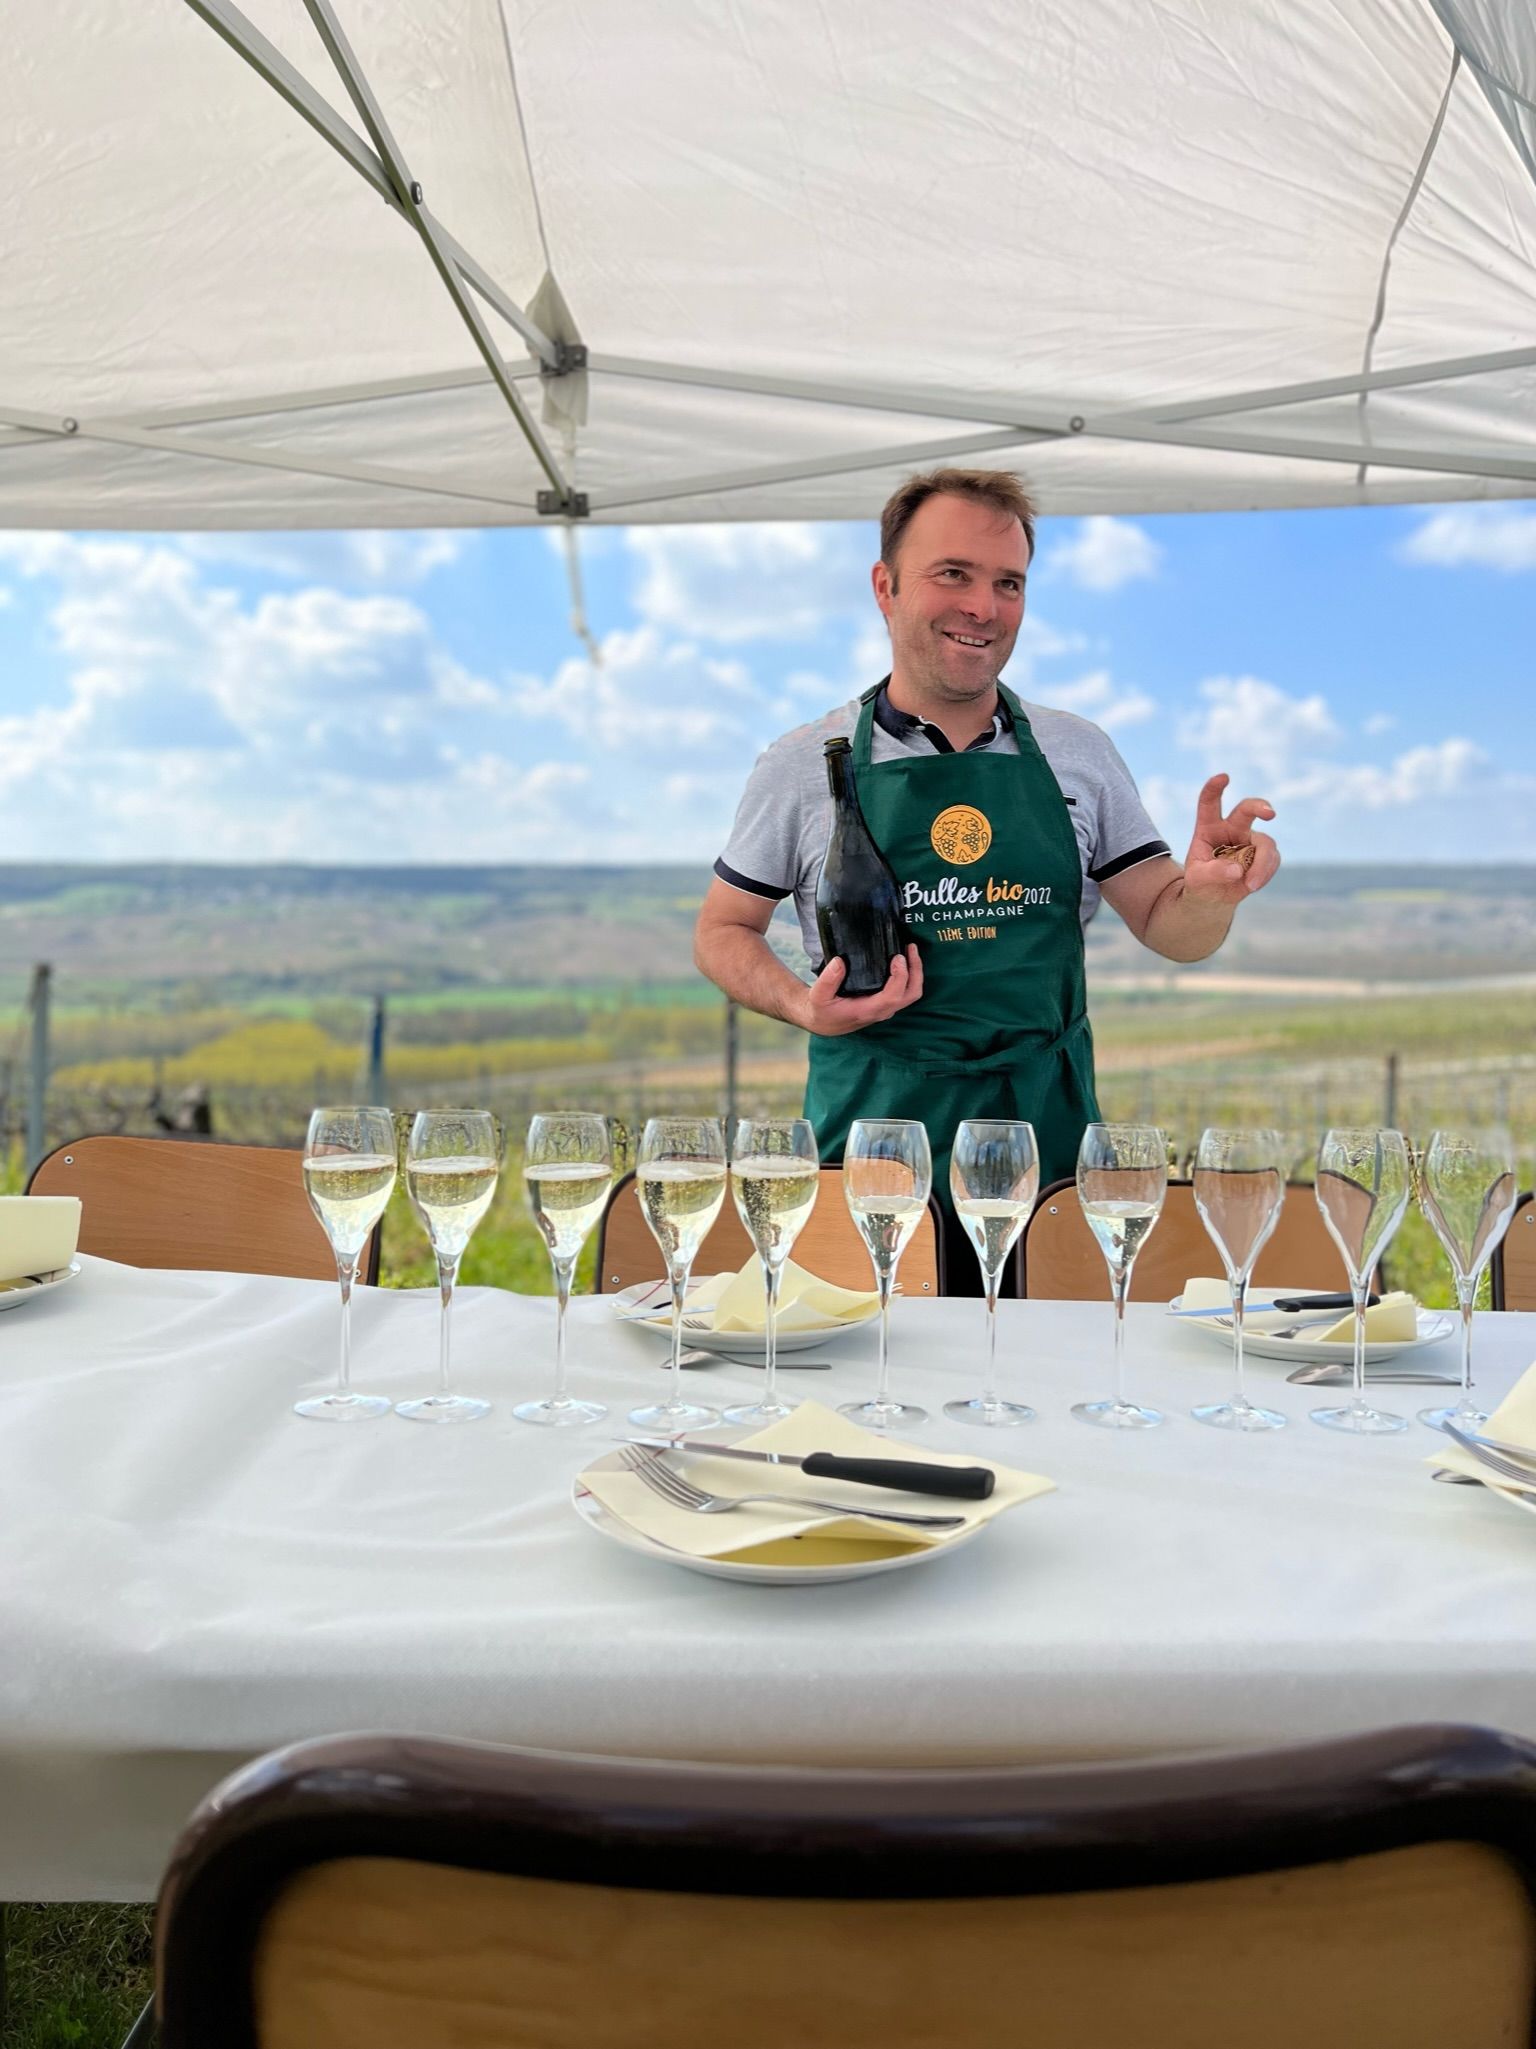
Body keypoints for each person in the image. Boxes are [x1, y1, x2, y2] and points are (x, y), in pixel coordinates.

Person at [693, 468, 1279, 1289]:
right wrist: (800, 1002)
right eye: (954, 575)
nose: (984, 606)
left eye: (1008, 583)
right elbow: (721, 931)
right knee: (870, 1388)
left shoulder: (1079, 753)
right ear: (885, 587)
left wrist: (1212, 895)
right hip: (874, 1163)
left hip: (1051, 1159)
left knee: (1046, 1386)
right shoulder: (805, 764)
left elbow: (1171, 926)